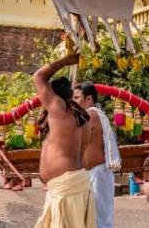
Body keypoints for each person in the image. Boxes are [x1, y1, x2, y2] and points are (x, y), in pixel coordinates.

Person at [33, 54, 95, 228]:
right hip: (73, 186)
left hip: (67, 190)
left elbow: (38, 76)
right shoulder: (83, 117)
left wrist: (66, 61)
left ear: (55, 97)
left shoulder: (59, 111)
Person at [73, 82, 121, 228]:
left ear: (89, 99)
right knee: (91, 218)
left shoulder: (91, 114)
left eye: (76, 98)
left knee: (100, 219)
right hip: (91, 173)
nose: (73, 101)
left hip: (98, 173)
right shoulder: (88, 115)